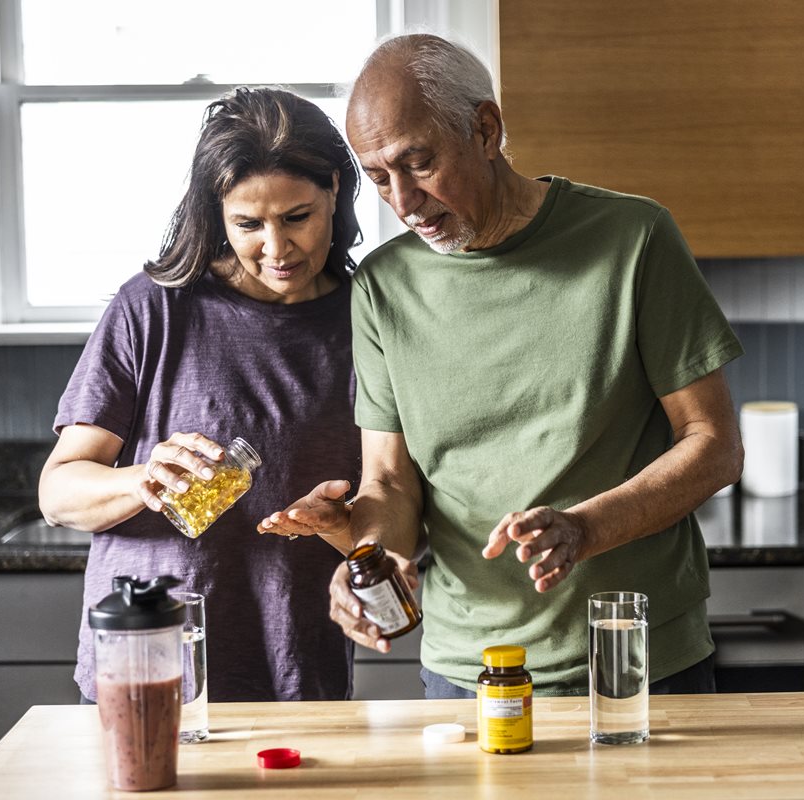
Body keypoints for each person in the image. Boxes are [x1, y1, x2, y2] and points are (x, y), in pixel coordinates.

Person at [299, 33, 746, 698]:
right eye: (378, 178)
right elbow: (390, 483)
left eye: (418, 164)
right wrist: (372, 557)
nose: (404, 202)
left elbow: (713, 446)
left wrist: (583, 528)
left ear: (485, 129)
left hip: (637, 652)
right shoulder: (382, 288)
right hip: (468, 668)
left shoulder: (633, 240)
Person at [40, 87, 363, 703]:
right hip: (148, 663)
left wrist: (343, 528)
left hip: (296, 666)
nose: (276, 247)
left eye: (297, 217)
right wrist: (140, 481)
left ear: (334, 192)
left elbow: (395, 510)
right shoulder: (155, 306)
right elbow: (57, 494)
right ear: (217, 216)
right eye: (248, 224)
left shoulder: (367, 318)